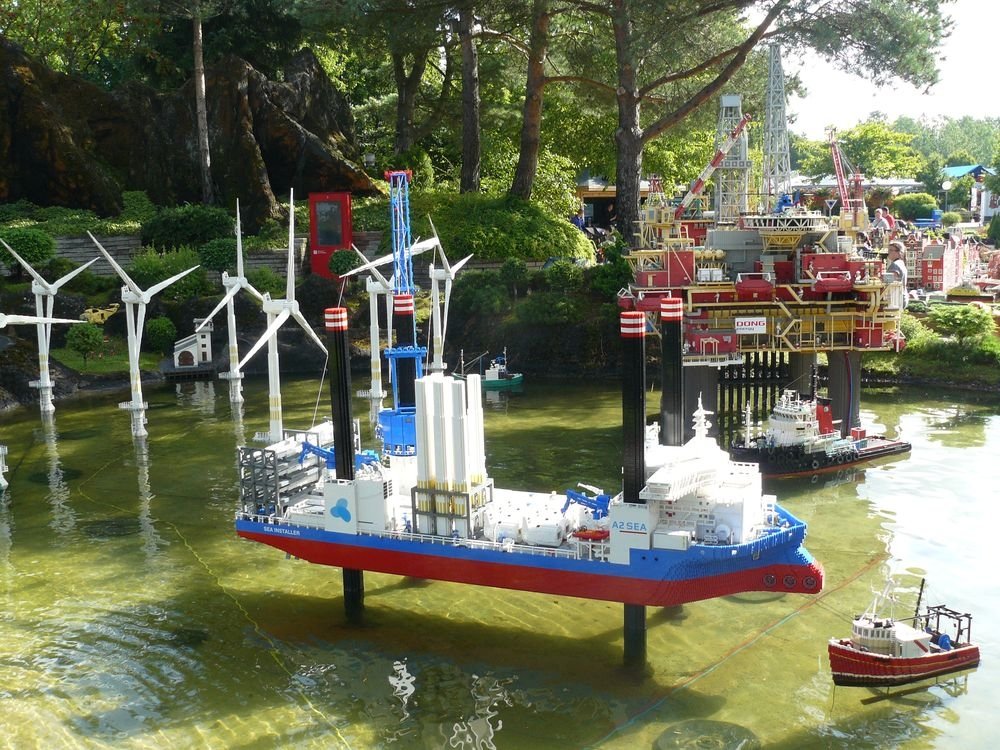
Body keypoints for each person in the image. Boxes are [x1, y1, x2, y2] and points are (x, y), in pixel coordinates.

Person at [887, 241, 908, 308]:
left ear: (898, 252)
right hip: (902, 297)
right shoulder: (901, 263)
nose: (888, 252)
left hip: (896, 300)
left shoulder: (895, 265)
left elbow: (891, 283)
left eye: (890, 250)